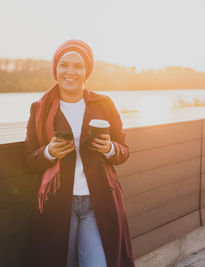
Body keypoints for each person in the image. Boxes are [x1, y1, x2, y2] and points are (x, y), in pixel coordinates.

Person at [23, 39, 135, 267]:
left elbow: (124, 151)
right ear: (55, 69)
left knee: (98, 263)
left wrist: (109, 148)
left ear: (87, 72)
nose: (70, 72)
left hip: (99, 202)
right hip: (56, 204)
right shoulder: (39, 108)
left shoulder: (104, 104)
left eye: (78, 66)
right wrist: (48, 152)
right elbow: (28, 160)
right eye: (64, 65)